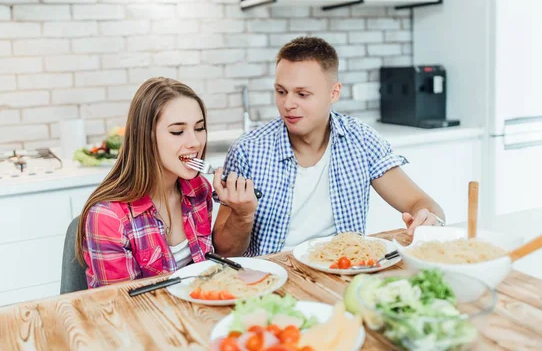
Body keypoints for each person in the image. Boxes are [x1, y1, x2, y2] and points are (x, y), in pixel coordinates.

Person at [212, 36, 446, 257]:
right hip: (273, 278)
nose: (287, 104)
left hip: (342, 271)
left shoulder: (361, 140)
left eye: (302, 94)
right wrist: (242, 216)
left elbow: (424, 204)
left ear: (334, 93)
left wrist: (426, 218)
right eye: (281, 91)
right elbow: (225, 252)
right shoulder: (248, 151)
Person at [75, 77, 256, 288]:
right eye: (177, 131)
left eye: (199, 128)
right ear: (146, 137)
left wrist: (242, 213)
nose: (195, 142)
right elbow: (123, 305)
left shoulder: (199, 190)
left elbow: (208, 268)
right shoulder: (108, 217)